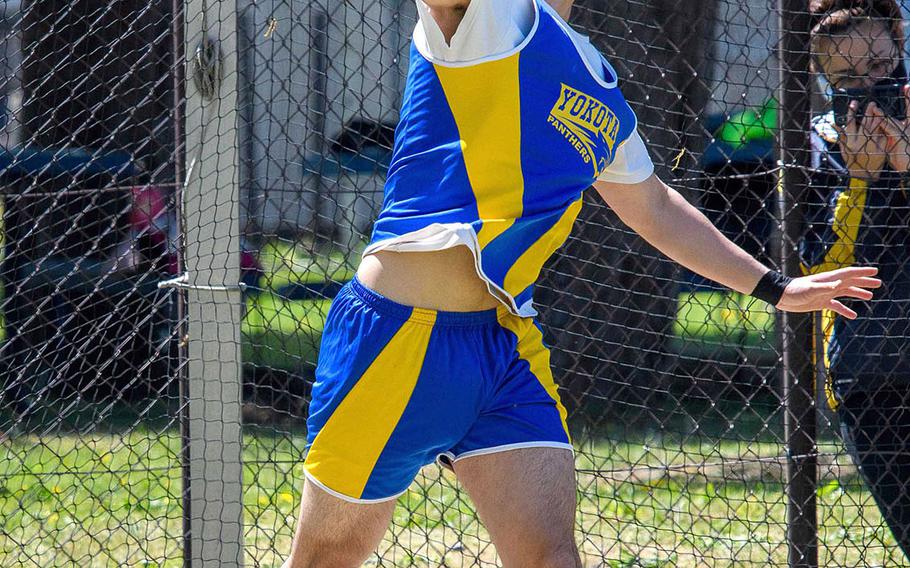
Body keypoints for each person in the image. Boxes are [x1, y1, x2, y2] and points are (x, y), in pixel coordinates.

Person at [283, 1, 881, 566]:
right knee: (325, 559)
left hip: (505, 346)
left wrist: (776, 288)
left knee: (551, 558)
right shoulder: (489, 19)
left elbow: (653, 207)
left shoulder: (596, 78)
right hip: (397, 335)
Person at [804, 0, 910, 559]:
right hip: (872, 378)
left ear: (899, 40)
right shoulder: (818, 144)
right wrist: (862, 181)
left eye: (878, 67)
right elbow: (819, 272)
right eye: (845, 78)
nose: (867, 88)